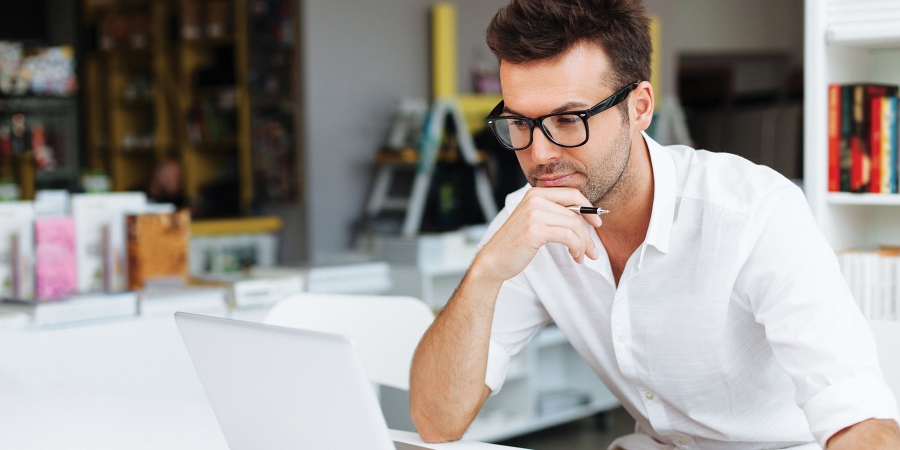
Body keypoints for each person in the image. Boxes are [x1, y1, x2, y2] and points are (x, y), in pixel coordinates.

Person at [408, 1, 900, 449]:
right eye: (520, 122)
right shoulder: (527, 221)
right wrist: (486, 271)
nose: (540, 154)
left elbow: (862, 423)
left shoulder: (755, 213)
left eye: (568, 119)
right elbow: (436, 423)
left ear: (639, 107)